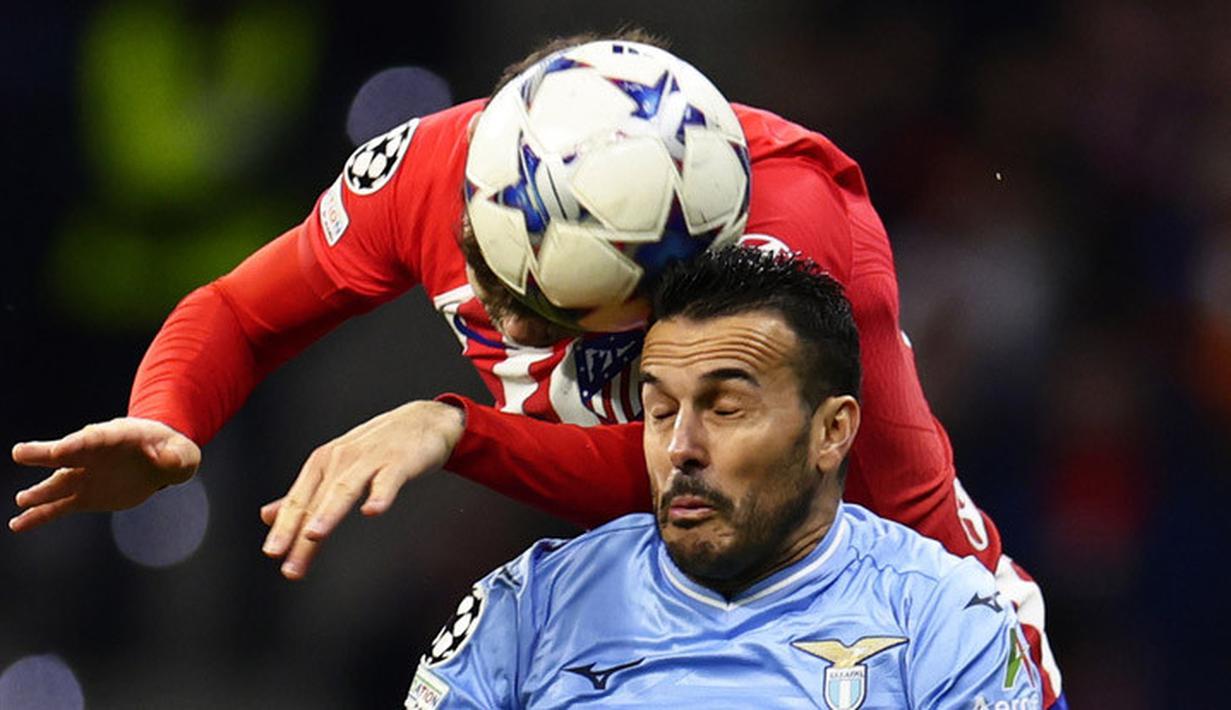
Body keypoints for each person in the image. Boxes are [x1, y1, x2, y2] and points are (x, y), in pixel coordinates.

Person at [8, 32, 1062, 705]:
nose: (499, 313)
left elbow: (702, 463)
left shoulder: (785, 227)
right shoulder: (428, 168)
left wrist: (456, 425)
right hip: (655, 599)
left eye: (549, 309)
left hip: (886, 608)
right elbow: (237, 308)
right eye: (486, 268)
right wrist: (171, 417)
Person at [406, 247, 1043, 709]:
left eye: (726, 409)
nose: (680, 447)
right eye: (659, 412)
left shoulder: (942, 615)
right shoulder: (531, 607)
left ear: (832, 431)